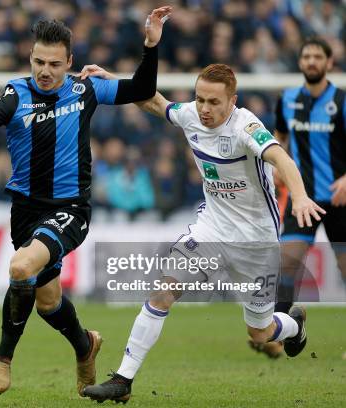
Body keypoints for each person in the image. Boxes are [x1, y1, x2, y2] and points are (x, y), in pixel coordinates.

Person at [0, 6, 172, 396]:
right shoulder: (16, 92)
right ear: (30, 58)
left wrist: (150, 45)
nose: (45, 70)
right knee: (48, 302)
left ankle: (2, 358)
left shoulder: (85, 89)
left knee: (21, 266)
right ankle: (85, 345)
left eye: (55, 64)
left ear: (70, 62)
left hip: (70, 209)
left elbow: (141, 90)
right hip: (25, 210)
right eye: (39, 61)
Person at [78, 63, 325, 403]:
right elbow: (154, 103)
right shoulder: (191, 114)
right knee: (163, 291)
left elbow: (281, 159)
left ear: (232, 101)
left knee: (260, 333)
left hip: (256, 242)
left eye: (214, 102)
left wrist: (298, 196)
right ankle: (123, 379)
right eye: (200, 99)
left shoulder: (246, 126)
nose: (205, 109)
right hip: (211, 227)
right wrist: (114, 85)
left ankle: (294, 322)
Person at [251, 37, 346, 359]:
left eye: (317, 56)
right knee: (287, 263)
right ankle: (276, 333)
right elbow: (280, 137)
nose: (311, 61)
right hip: (302, 197)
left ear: (329, 63)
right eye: (306, 56)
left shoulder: (342, 100)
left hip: (339, 198)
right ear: (300, 62)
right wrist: (278, 165)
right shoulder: (288, 99)